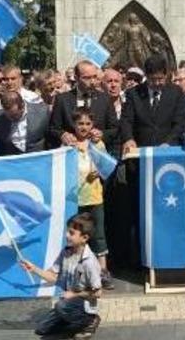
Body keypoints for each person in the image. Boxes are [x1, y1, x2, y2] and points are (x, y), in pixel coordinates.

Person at [22, 213, 102, 339]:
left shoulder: (89, 262)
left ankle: (89, 321)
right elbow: (53, 277)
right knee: (41, 329)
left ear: (84, 237)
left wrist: (74, 294)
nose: (66, 235)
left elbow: (97, 292)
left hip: (83, 303)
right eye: (67, 231)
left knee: (61, 306)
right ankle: (70, 323)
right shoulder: (66, 252)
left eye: (71, 233)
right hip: (68, 302)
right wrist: (34, 269)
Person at [72, 107, 114, 290]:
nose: (84, 127)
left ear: (93, 125)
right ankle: (78, 274)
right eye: (80, 123)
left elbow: (106, 166)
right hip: (75, 199)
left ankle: (103, 271)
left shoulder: (98, 144)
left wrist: (99, 171)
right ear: (74, 125)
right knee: (76, 236)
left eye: (88, 123)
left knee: (98, 236)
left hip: (95, 197)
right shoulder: (68, 147)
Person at [119, 54, 185, 153]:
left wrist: (169, 142)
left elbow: (179, 123)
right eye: (152, 79)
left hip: (167, 150)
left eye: (160, 79)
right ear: (146, 76)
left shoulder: (176, 92)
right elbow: (126, 120)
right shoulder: (134, 93)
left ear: (166, 75)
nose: (156, 83)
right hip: (140, 150)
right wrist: (129, 138)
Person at [49, 60, 118, 151]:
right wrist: (62, 135)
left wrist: (102, 134)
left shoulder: (105, 99)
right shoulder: (62, 100)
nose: (92, 81)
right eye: (87, 78)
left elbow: (114, 129)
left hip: (96, 153)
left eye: (94, 77)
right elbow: (53, 128)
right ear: (76, 78)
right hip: (71, 152)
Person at [0, 91, 49, 156]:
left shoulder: (42, 112)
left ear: (22, 106)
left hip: (38, 157)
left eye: (14, 115)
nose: (11, 119)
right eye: (8, 116)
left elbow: (50, 137)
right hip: (12, 159)